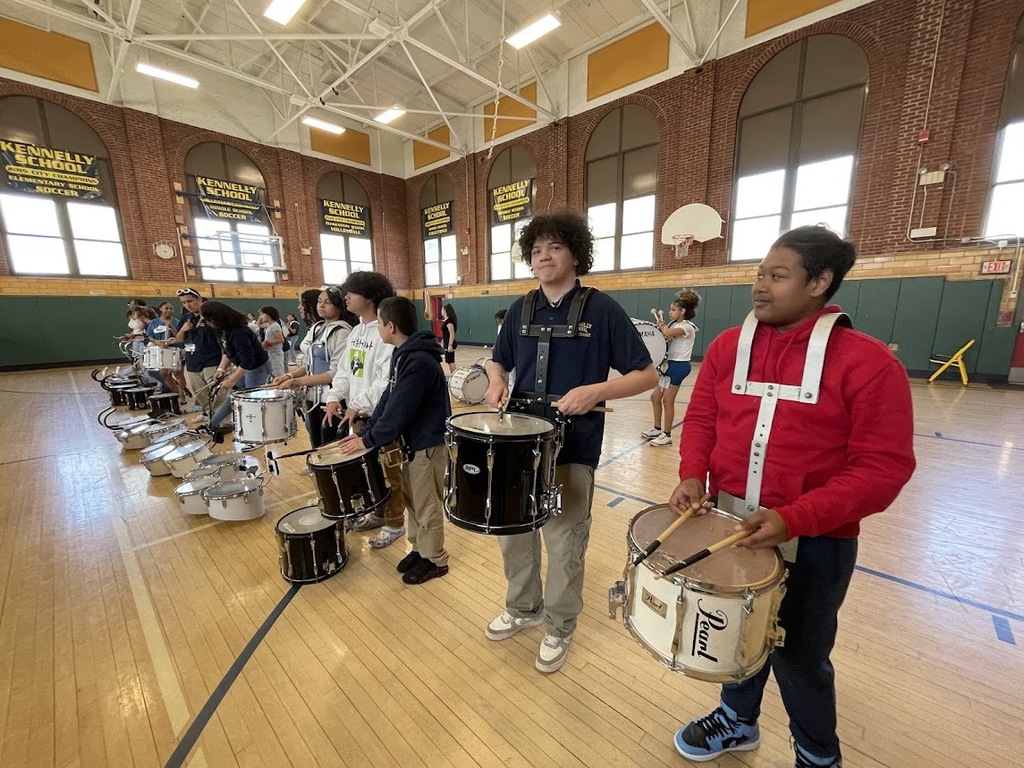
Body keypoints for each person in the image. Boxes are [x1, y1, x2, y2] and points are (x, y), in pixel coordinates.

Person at [668, 226, 916, 768]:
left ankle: (817, 753)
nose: (760, 285)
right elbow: (704, 418)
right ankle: (738, 721)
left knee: (800, 656)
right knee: (735, 635)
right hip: (730, 525)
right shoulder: (730, 346)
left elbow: (884, 469)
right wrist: (692, 474)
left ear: (820, 282)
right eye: (759, 273)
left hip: (817, 540)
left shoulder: (870, 363)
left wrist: (796, 517)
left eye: (777, 276)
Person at [483, 210, 658, 674]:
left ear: (576, 254)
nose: (544, 257)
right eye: (536, 250)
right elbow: (497, 362)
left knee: (564, 540)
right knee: (514, 534)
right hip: (518, 444)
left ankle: (560, 624)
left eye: (554, 248)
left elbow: (646, 374)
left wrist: (597, 391)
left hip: (573, 447)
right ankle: (523, 607)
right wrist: (496, 381)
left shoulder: (602, 309)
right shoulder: (520, 308)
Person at [336, 296, 451, 585]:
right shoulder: (403, 354)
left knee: (427, 505)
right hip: (412, 444)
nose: (377, 330)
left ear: (391, 326)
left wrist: (369, 439)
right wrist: (368, 430)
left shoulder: (419, 361)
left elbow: (400, 409)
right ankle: (419, 549)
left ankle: (435, 559)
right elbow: (389, 396)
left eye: (379, 325)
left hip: (428, 444)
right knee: (413, 500)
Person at [321, 271, 407, 547]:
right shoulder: (356, 331)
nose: (345, 297)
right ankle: (379, 513)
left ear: (368, 297)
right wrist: (335, 397)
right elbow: (345, 371)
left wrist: (357, 404)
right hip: (357, 417)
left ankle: (395, 524)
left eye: (351, 292)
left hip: (381, 417)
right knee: (370, 472)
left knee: (389, 471)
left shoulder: (386, 331)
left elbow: (386, 382)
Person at [272, 286, 356, 450]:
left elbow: (335, 373)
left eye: (327, 302)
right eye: (319, 301)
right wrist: (289, 376)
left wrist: (299, 380)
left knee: (332, 445)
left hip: (331, 398)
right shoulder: (318, 327)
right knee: (316, 443)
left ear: (339, 306)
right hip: (312, 396)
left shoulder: (342, 332)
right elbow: (309, 363)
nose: (321, 306)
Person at [200, 301, 272, 434]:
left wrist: (232, 380)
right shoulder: (221, 330)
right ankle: (212, 425)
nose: (207, 323)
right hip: (247, 368)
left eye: (209, 319)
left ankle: (254, 435)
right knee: (232, 397)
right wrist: (221, 369)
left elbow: (247, 360)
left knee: (249, 402)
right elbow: (227, 351)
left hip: (257, 368)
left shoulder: (239, 331)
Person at [643, 290, 700, 447]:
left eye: (673, 309)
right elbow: (665, 336)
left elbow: (667, 333)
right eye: (670, 309)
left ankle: (666, 435)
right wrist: (659, 329)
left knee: (668, 401)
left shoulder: (687, 327)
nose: (670, 312)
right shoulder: (674, 324)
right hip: (670, 365)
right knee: (655, 397)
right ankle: (656, 428)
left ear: (683, 311)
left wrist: (663, 328)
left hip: (680, 366)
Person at [174, 288, 228, 415]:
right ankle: (210, 418)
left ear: (199, 299)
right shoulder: (186, 318)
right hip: (192, 363)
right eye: (183, 302)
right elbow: (179, 340)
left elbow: (223, 342)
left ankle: (222, 420)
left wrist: (222, 367)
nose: (187, 305)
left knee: (218, 394)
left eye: (190, 301)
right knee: (201, 396)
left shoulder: (212, 317)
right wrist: (183, 330)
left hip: (211, 362)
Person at [145, 301, 186, 400]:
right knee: (164, 374)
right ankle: (176, 393)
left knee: (178, 373)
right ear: (160, 309)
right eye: (166, 308)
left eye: (171, 309)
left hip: (175, 349)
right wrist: (156, 342)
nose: (169, 310)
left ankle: (182, 396)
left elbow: (180, 337)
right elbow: (150, 336)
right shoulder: (154, 322)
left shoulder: (177, 322)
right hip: (162, 350)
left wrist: (171, 327)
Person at [259, 306, 287, 379]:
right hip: (271, 354)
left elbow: (281, 339)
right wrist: (261, 314)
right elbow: (259, 324)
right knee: (272, 375)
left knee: (278, 374)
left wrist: (267, 343)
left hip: (275, 355)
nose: (261, 317)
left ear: (268, 316)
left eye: (263, 314)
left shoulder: (275, 326)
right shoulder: (269, 325)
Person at [440, 303, 458, 375]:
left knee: (451, 361)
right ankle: (453, 375)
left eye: (442, 309)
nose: (441, 311)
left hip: (449, 344)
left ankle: (454, 376)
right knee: (449, 361)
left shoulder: (449, 321)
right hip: (446, 343)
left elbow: (452, 333)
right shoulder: (446, 320)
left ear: (445, 310)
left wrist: (450, 345)